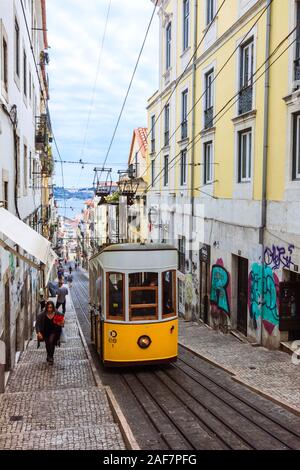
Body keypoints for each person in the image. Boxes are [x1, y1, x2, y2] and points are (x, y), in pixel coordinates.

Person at [36, 301, 62, 365]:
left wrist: (61, 322)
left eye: (50, 307)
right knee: (47, 344)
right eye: (48, 308)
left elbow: (61, 320)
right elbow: (38, 324)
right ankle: (48, 355)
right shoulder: (42, 315)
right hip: (45, 332)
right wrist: (39, 332)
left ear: (53, 307)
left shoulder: (56, 313)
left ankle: (51, 357)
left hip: (54, 332)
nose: (49, 309)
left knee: (51, 342)